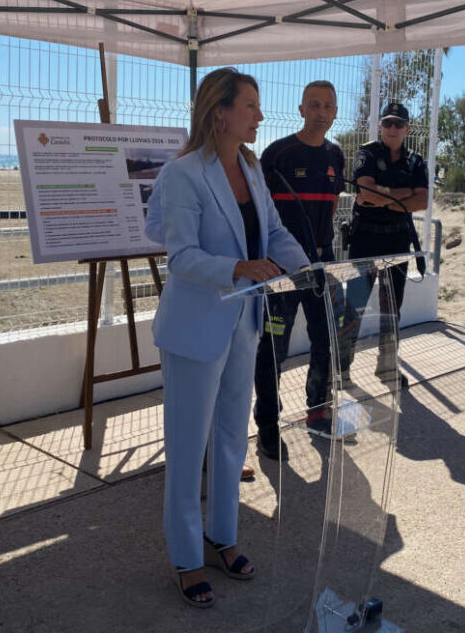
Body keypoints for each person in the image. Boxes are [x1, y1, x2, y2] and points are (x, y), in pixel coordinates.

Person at [151, 68, 308, 608]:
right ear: (220, 112)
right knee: (187, 446)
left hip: (244, 323)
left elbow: (274, 232)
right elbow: (181, 257)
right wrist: (239, 268)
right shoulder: (183, 174)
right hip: (194, 329)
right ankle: (186, 557)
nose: (260, 116)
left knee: (230, 440)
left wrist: (308, 271)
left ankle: (223, 535)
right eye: (250, 106)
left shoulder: (250, 166)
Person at [253, 80, 346, 459]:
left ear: (335, 112)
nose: (321, 112)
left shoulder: (336, 155)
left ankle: (318, 412)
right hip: (281, 271)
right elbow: (259, 211)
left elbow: (332, 206)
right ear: (301, 110)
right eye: (314, 104)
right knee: (273, 348)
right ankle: (268, 426)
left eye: (328, 105)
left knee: (325, 341)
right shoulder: (277, 154)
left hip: (322, 265)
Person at [144, 167, 255, 482]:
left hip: (241, 303)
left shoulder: (247, 170)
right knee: (193, 406)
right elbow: (154, 227)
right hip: (199, 302)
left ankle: (224, 461)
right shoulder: (180, 171)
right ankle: (190, 478)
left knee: (229, 400)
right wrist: (197, 235)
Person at [339, 102, 428, 387]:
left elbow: (422, 201)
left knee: (392, 309)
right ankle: (341, 369)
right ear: (380, 126)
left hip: (398, 241)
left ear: (407, 129)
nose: (392, 128)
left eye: (398, 124)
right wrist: (403, 195)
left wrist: (383, 197)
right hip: (365, 240)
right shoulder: (367, 153)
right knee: (354, 307)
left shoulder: (416, 162)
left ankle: (387, 366)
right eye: (387, 123)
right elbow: (365, 191)